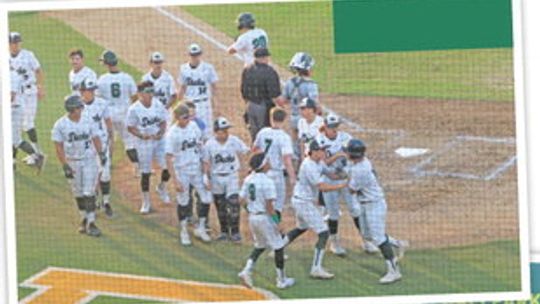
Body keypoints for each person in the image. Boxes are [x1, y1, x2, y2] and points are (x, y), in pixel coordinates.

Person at [282, 138, 348, 279]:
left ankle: (278, 247)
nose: (324, 152)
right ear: (315, 152)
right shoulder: (309, 166)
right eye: (322, 150)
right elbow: (322, 187)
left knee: (301, 228)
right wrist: (342, 186)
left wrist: (345, 175)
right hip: (303, 203)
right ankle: (316, 268)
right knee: (323, 233)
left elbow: (330, 174)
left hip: (301, 200)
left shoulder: (318, 162)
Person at [345, 139, 408, 284]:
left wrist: (343, 177)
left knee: (378, 238)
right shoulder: (362, 162)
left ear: (353, 154)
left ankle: (394, 271)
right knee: (367, 235)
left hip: (374, 205)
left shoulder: (360, 170)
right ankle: (398, 243)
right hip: (367, 204)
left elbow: (351, 189)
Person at [316, 113, 376, 256]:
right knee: (333, 214)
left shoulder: (346, 138)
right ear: (325, 127)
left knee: (355, 210)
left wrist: (347, 171)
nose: (335, 129)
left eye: (336, 126)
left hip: (345, 180)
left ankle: (366, 241)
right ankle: (335, 243)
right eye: (331, 127)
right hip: (329, 181)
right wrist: (338, 155)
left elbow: (354, 157)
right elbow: (323, 163)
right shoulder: (319, 141)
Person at [237, 153, 295, 290]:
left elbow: (240, 199)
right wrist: (278, 223)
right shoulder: (268, 182)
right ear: (263, 165)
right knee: (279, 246)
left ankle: (246, 270)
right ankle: (281, 280)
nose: (269, 163)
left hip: (253, 217)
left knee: (260, 245)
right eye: (267, 161)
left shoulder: (249, 179)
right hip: (265, 218)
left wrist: (250, 209)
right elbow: (270, 208)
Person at [51, 95, 107, 237]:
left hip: (89, 160)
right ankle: (84, 218)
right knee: (78, 193)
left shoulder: (88, 120)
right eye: (79, 107)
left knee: (89, 192)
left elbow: (96, 137)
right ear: (72, 109)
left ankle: (92, 223)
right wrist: (64, 165)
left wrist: (101, 154)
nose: (82, 108)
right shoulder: (60, 125)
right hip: (72, 162)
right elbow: (58, 147)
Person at [165, 104, 213, 246]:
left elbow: (201, 147)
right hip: (182, 171)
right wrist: (175, 181)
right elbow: (168, 158)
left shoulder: (193, 127)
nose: (187, 119)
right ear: (177, 118)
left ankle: (201, 227)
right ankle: (184, 230)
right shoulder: (172, 134)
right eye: (184, 117)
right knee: (183, 201)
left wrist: (205, 172)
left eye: (188, 116)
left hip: (196, 168)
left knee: (206, 198)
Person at [126, 81, 171, 214]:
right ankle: (146, 201)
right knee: (145, 173)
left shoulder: (158, 104)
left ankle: (162, 187)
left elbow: (163, 121)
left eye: (152, 91)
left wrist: (161, 133)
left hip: (159, 140)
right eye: (147, 92)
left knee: (167, 166)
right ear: (140, 93)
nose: (150, 94)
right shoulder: (134, 109)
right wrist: (141, 135)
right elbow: (130, 127)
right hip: (143, 143)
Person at [202, 117, 249, 242]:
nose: (226, 133)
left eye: (226, 130)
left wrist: (245, 170)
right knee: (220, 206)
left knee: (234, 203)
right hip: (216, 177)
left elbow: (245, 152)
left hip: (231, 175)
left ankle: (235, 232)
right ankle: (224, 231)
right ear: (216, 131)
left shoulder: (234, 141)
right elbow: (206, 162)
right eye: (223, 130)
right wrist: (205, 177)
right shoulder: (209, 144)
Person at [96, 50, 139, 175]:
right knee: (129, 142)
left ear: (106, 64)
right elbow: (135, 97)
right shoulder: (127, 78)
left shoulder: (102, 80)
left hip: (108, 116)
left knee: (108, 140)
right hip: (124, 115)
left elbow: (98, 99)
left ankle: (106, 166)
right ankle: (137, 168)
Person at [9, 32, 46, 165]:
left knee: (28, 124)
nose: (16, 45)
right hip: (15, 95)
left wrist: (41, 87)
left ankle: (37, 153)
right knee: (14, 126)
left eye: (18, 42)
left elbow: (38, 71)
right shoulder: (5, 56)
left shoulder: (28, 55)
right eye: (13, 42)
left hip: (30, 93)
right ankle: (13, 158)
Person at [79, 78, 114, 217]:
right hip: (87, 149)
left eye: (93, 90)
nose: (91, 93)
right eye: (88, 90)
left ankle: (106, 202)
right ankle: (93, 200)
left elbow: (108, 123)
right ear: (82, 91)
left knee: (105, 175)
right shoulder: (77, 106)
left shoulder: (102, 104)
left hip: (103, 145)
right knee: (90, 178)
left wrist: (112, 142)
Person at [252, 107, 296, 218]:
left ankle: (262, 230)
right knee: (276, 206)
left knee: (263, 204)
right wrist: (292, 177)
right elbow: (287, 160)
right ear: (284, 120)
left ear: (271, 118)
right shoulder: (284, 137)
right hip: (276, 175)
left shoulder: (263, 132)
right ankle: (273, 229)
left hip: (262, 173)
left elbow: (255, 150)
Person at [277, 52, 318, 160]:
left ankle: (294, 166)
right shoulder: (311, 85)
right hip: (305, 120)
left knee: (295, 143)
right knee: (306, 145)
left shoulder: (290, 82)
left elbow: (282, 100)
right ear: (308, 68)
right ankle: (304, 168)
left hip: (293, 118)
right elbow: (315, 104)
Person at [178, 43, 218, 139]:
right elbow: (182, 87)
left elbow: (214, 87)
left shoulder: (208, 68)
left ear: (200, 54)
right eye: (192, 55)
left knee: (206, 132)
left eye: (197, 54)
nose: (195, 57)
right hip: (189, 105)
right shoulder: (183, 69)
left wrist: (216, 104)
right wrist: (178, 104)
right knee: (190, 131)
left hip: (204, 103)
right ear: (189, 55)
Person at [240, 48, 281, 141]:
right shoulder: (270, 72)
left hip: (250, 105)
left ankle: (255, 150)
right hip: (264, 107)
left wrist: (248, 103)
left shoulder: (247, 69)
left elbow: (243, 90)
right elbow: (274, 94)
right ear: (264, 57)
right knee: (265, 132)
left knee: (254, 132)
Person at [10, 68, 45, 172]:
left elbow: (11, 96)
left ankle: (37, 156)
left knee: (15, 140)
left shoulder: (12, 75)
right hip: (14, 109)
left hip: (15, 110)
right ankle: (12, 162)